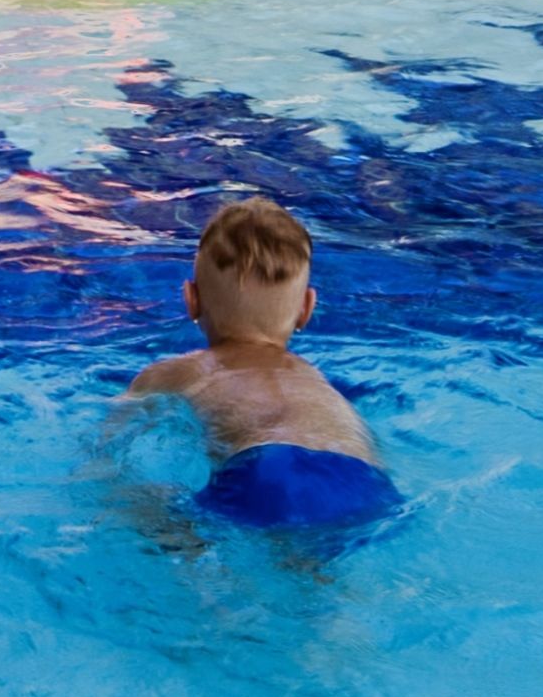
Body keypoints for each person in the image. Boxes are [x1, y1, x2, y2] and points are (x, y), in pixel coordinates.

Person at [122, 192, 395, 531]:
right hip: (362, 476)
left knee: (170, 520)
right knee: (317, 572)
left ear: (191, 300)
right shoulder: (313, 377)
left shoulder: (178, 372)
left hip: (268, 469)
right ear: (306, 309)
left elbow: (113, 440)